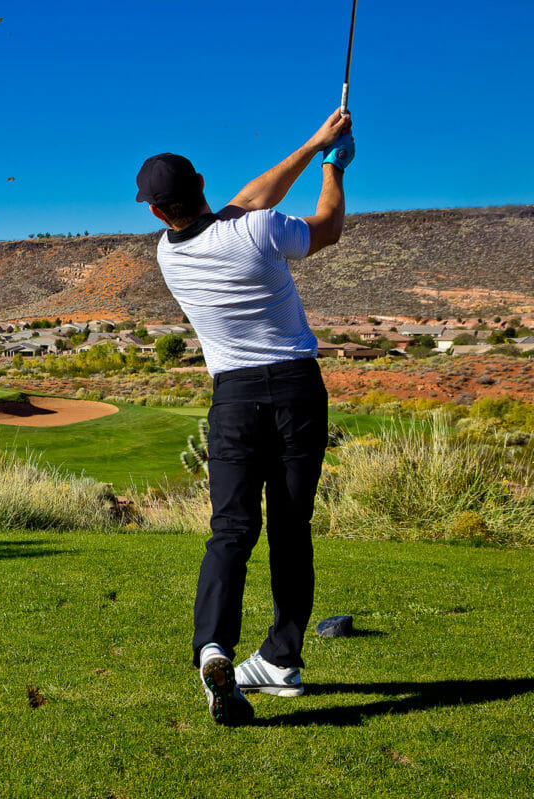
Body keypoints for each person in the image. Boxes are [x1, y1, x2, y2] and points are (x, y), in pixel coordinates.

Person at [135, 109, 355, 727]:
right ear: (203, 184)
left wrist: (313, 143)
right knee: (291, 526)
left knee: (231, 530)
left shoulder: (167, 254)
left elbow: (242, 203)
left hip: (232, 399)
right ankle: (283, 660)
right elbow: (328, 228)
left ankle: (214, 649)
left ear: (155, 211)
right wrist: (333, 166)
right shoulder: (261, 231)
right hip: (296, 390)